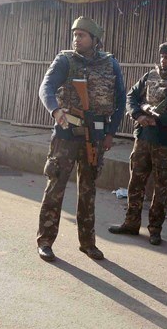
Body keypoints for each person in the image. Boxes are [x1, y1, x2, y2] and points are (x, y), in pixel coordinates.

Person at [36, 16, 125, 262]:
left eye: (82, 35)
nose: (76, 39)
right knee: (55, 188)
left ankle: (88, 244)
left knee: (88, 191)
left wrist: (110, 134)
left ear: (95, 40)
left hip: (95, 137)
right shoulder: (65, 60)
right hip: (66, 134)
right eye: (75, 34)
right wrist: (55, 110)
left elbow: (120, 101)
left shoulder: (110, 64)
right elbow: (46, 87)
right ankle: (45, 241)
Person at [107, 42, 167, 245]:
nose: (163, 60)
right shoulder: (149, 76)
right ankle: (131, 223)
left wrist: (160, 120)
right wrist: (138, 115)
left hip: (165, 141)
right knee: (135, 183)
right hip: (143, 138)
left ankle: (155, 229)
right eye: (162, 56)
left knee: (161, 187)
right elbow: (131, 96)